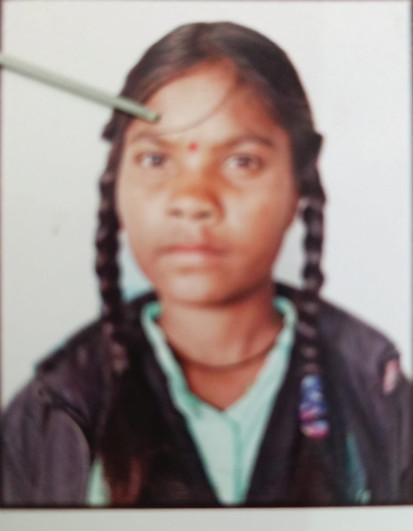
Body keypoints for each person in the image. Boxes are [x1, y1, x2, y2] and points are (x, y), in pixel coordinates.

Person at [2, 21, 412, 508]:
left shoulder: (376, 393)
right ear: (116, 178)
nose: (193, 200)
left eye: (241, 161)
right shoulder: (55, 409)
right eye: (156, 160)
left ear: (299, 181)